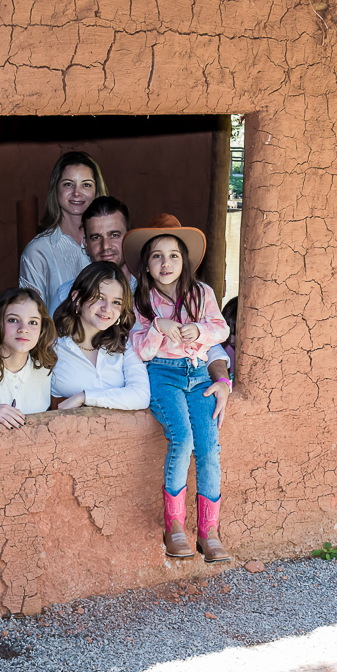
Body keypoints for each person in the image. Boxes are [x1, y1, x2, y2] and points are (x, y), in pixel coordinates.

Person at [54, 199, 235, 427]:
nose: (105, 245)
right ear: (85, 243)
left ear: (128, 238)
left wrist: (222, 380)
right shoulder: (66, 293)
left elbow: (210, 342)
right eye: (95, 237)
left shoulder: (158, 290)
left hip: (147, 397)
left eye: (114, 235)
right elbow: (51, 349)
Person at [126, 215, 232, 563]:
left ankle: (209, 532)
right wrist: (159, 326)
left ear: (185, 260)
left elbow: (221, 330)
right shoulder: (141, 299)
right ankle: (174, 527)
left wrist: (199, 331)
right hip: (164, 375)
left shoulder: (202, 294)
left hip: (199, 375)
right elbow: (141, 349)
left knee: (208, 447)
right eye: (157, 255)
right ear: (146, 264)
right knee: (182, 438)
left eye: (173, 255)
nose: (166, 263)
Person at [50, 261, 149, 411]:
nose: (107, 309)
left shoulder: (125, 344)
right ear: (77, 298)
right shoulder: (52, 344)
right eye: (99, 298)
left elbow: (141, 396)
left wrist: (84, 397)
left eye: (116, 302)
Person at [19, 152, 108, 309]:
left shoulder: (110, 245)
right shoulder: (38, 251)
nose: (76, 192)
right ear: (56, 189)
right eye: (68, 184)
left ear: (97, 190)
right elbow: (29, 316)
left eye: (86, 184)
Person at [0, 287, 57, 429]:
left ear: (42, 329)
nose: (23, 329)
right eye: (13, 320)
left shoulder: (46, 370)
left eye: (33, 322)